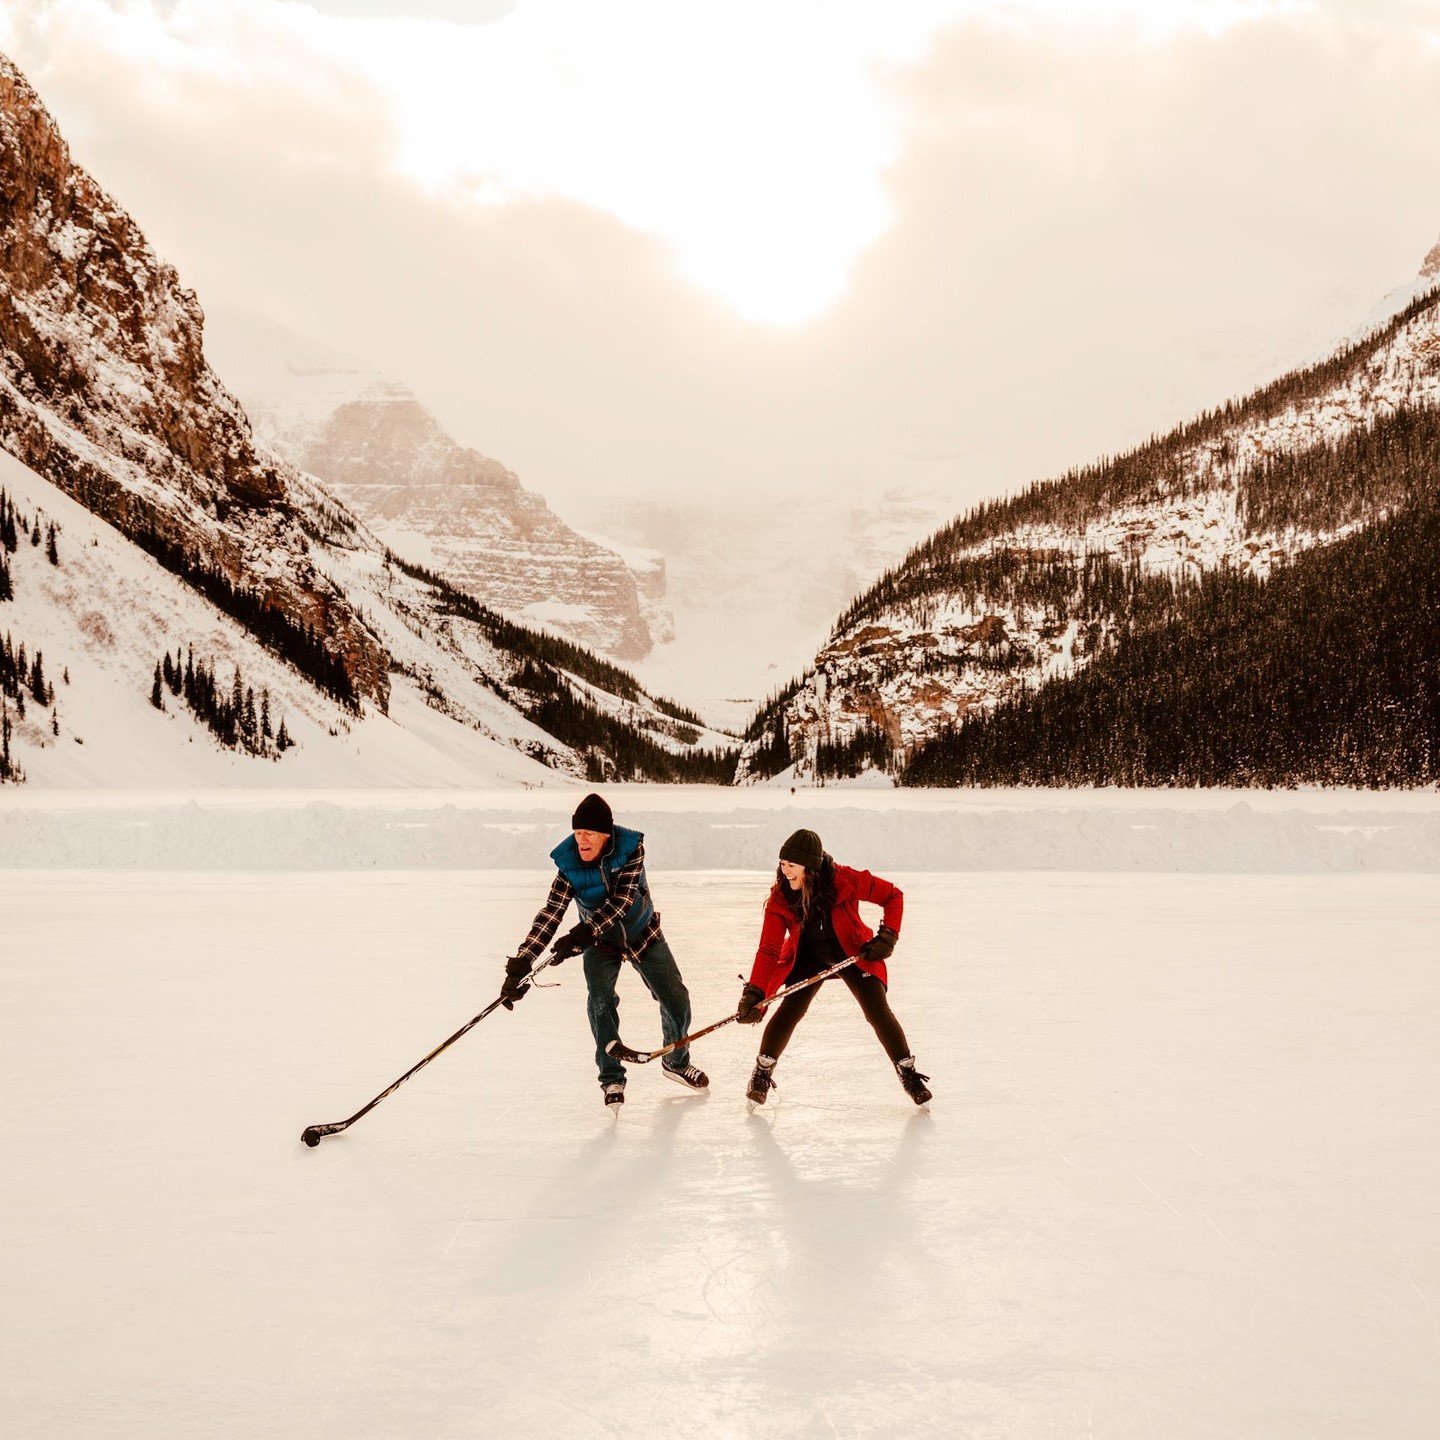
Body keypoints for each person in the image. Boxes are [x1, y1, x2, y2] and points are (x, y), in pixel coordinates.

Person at [500, 793, 708, 1108]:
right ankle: (611, 1079)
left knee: (676, 998)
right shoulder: (568, 864)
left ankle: (676, 1061)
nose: (581, 840)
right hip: (599, 942)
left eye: (589, 833)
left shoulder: (631, 849)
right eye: (577, 832)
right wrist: (523, 960)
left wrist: (584, 930)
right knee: (600, 1001)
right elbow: (551, 914)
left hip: (642, 931)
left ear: (606, 835)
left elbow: (623, 900)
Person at [735, 828, 931, 1107]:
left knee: (877, 1011)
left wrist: (888, 936)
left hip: (852, 951)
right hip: (807, 956)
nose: (784, 871)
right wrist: (755, 992)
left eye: (792, 865)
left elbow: (893, 896)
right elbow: (768, 949)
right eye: (782, 863)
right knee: (792, 1009)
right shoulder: (781, 898)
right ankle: (762, 1072)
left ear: (810, 866)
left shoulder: (844, 879)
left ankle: (908, 1073)